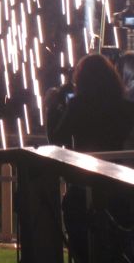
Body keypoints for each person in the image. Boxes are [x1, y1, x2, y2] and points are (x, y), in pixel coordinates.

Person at [45, 53, 134, 263]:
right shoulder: (125, 107)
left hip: (85, 184)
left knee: (81, 232)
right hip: (119, 182)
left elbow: (57, 138)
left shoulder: (78, 105)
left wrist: (53, 109)